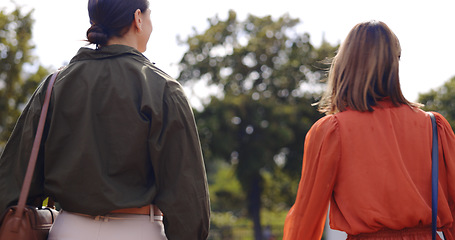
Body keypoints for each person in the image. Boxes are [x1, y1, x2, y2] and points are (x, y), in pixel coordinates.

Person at [0, 0, 210, 239]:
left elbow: (13, 176)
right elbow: (186, 194)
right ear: (138, 18)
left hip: (68, 230)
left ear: (94, 22)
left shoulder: (53, 86)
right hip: (139, 231)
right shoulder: (162, 89)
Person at [283, 20, 455, 239]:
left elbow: (305, 218)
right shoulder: (434, 126)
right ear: (395, 63)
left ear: (345, 63)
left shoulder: (333, 131)